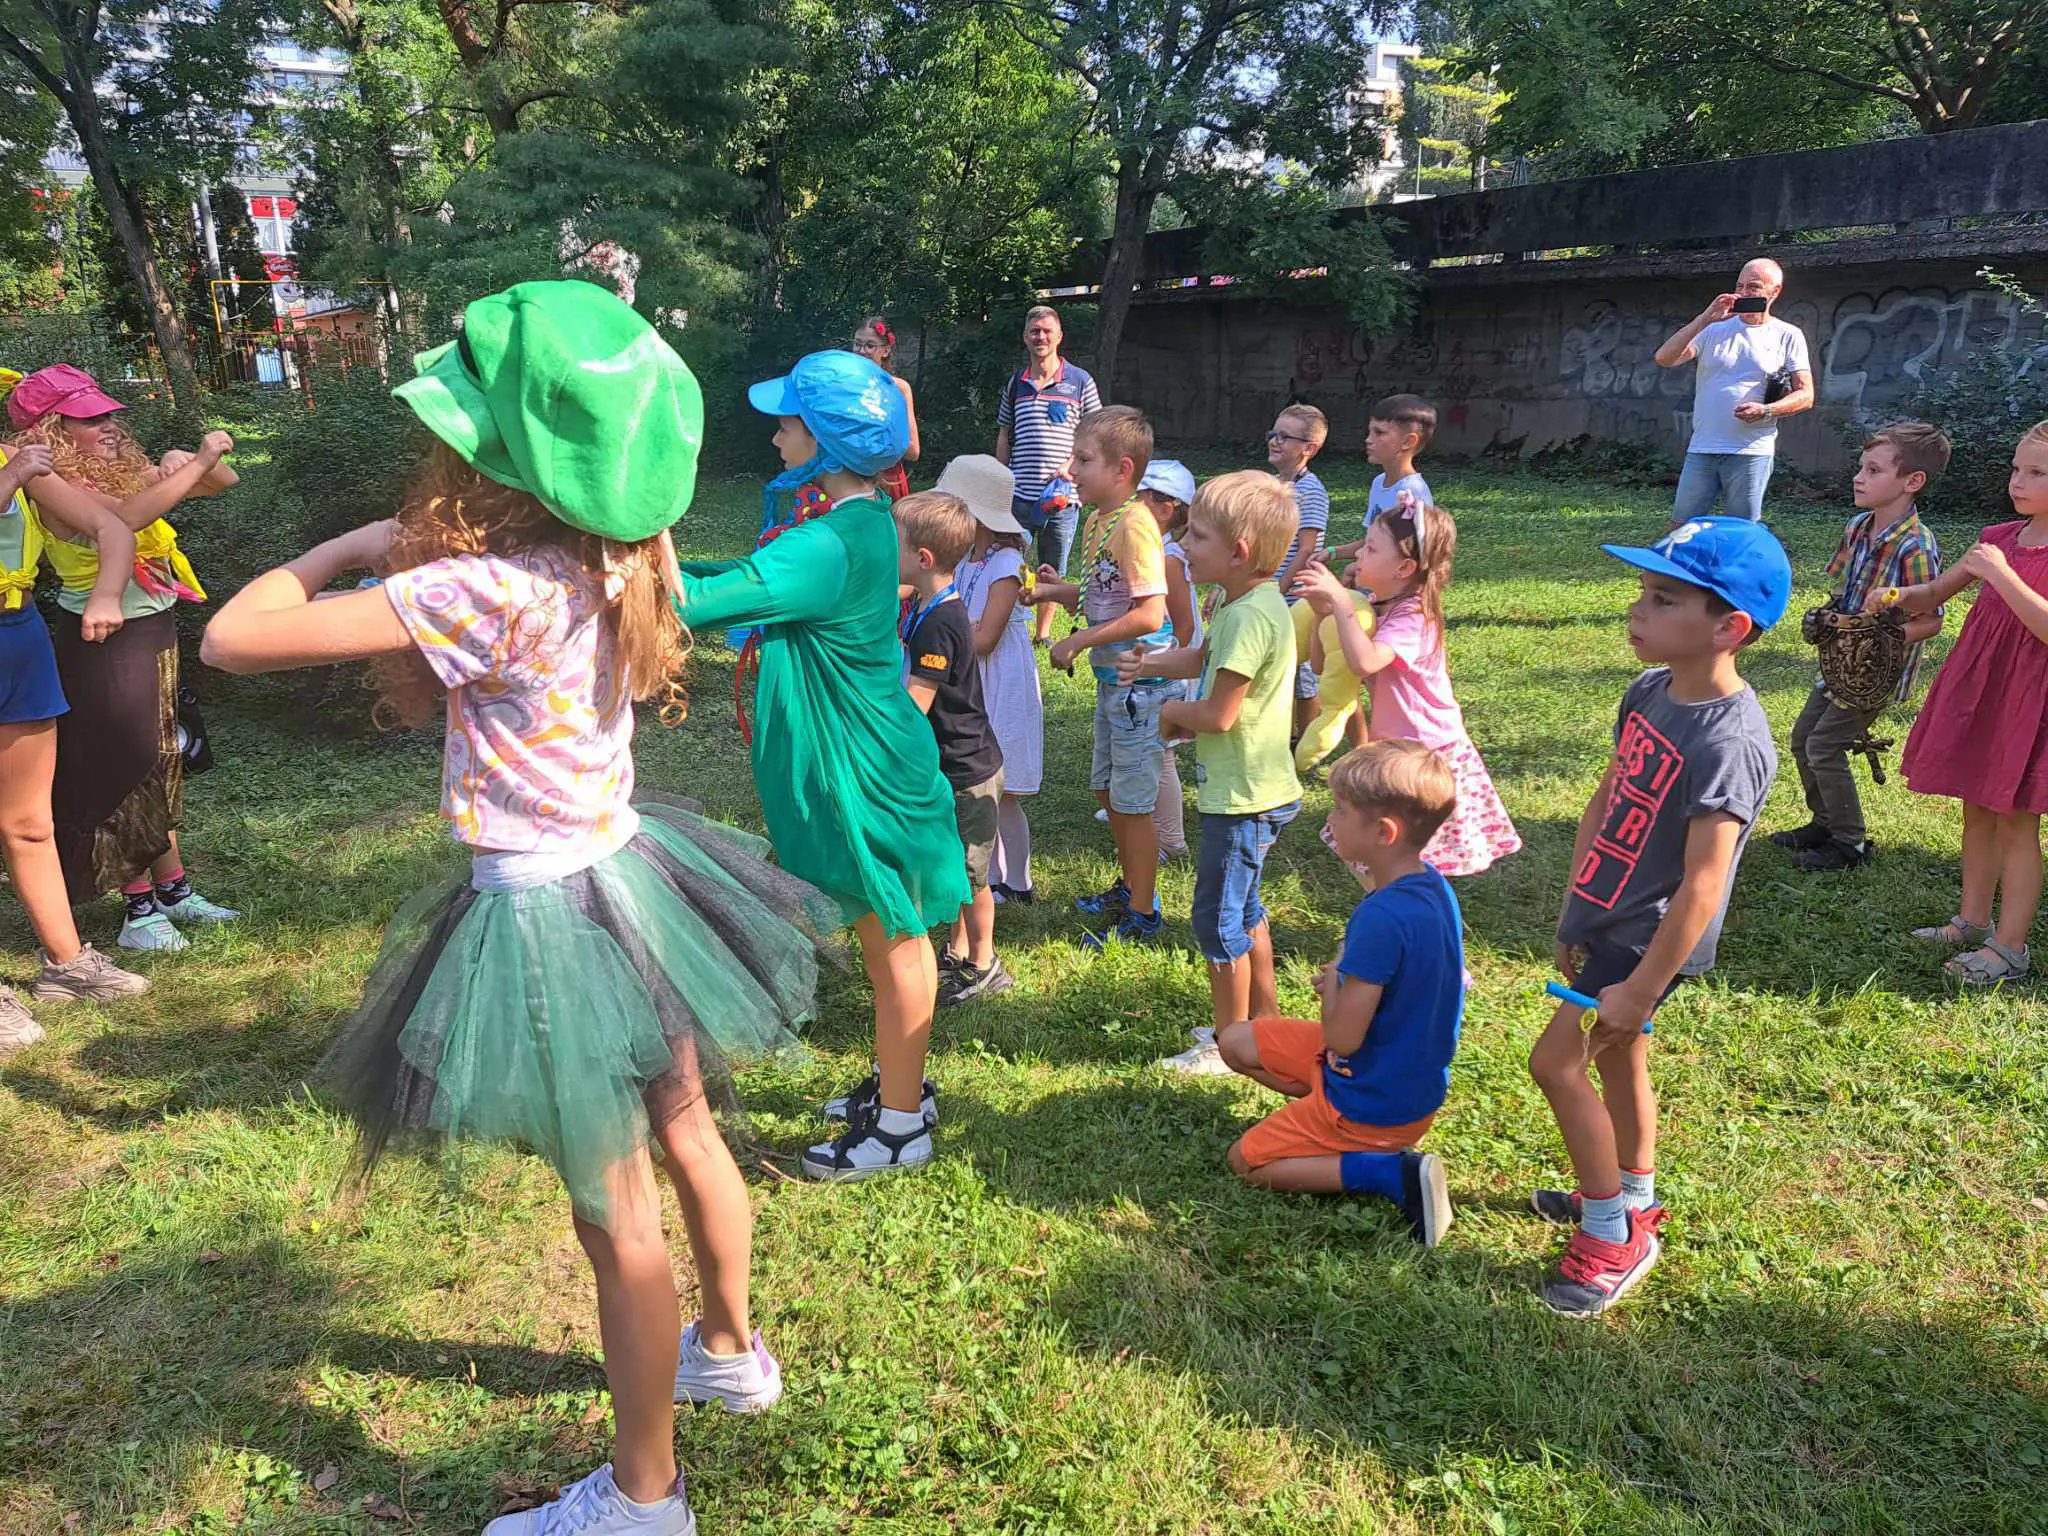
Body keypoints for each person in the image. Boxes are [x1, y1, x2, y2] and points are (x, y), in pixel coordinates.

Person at [200, 281, 827, 1536]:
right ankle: (728, 1349)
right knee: (690, 1133)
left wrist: (339, 550)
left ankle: (644, 1501)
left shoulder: (484, 592)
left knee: (615, 1220)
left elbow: (231, 638)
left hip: (548, 914)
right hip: (634, 883)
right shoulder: (620, 556)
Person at [676, 349, 968, 1181]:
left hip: (859, 770)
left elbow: (696, 601)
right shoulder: (870, 520)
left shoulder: (827, 544)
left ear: (825, 440)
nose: (776, 436)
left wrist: (631, 537)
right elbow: (743, 578)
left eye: (788, 423)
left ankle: (900, 1129)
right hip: (881, 752)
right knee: (896, 940)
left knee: (895, 945)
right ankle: (902, 1086)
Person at [1529, 516, 1791, 1319]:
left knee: (1555, 1064)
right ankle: (1632, 1195)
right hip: (1605, 919)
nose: (1638, 610)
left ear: (1729, 627)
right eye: (1642, 592)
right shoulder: (1648, 691)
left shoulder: (1731, 742)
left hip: (1648, 938)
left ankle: (1614, 1234)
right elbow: (1608, 799)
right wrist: (1576, 907)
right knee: (1619, 1060)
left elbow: (1704, 884)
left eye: (1664, 599)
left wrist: (1642, 986)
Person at [8, 364, 242, 953]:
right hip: (103, 638)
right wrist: (192, 465)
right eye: (90, 419)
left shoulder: (112, 470)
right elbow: (127, 518)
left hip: (149, 628)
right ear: (52, 430)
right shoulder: (52, 482)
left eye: (110, 414)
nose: (110, 425)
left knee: (157, 761)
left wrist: (187, 462)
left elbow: (225, 479)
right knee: (120, 767)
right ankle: (137, 909)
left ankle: (173, 890)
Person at [1215, 740, 1463, 1247]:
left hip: (1374, 1100)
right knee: (1236, 1040)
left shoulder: (1381, 919)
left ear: (1383, 832)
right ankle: (1327, 1118)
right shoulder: (1430, 885)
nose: (1332, 819)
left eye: (1342, 811)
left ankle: (1386, 1170)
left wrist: (1333, 986)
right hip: (1401, 1079)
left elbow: (1343, 1039)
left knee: (1246, 1162)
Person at [0, 436, 170, 1050]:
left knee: (30, 823)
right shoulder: (14, 467)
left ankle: (67, 965)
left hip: (16, 636)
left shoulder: (10, 456)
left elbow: (109, 526)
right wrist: (11, 479)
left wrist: (105, 593)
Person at [1128, 471, 1301, 1073]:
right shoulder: (1244, 602)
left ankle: (1231, 1046)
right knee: (1247, 910)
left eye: (1197, 536)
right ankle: (1266, 1024)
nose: (1183, 545)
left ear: (1239, 552)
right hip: (1258, 790)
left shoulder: (1248, 617)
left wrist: (1173, 714)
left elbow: (1220, 714)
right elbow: (1203, 658)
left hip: (1243, 799)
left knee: (1218, 920)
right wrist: (1150, 662)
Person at [1871, 418, 2048, 986]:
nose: (2018, 481)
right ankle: (1972, 919)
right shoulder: (1999, 539)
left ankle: (2010, 948)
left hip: (2031, 701)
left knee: (2016, 820)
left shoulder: (2002, 558)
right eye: (2016, 469)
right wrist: (1895, 595)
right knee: (1976, 805)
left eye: (2036, 473)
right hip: (1984, 690)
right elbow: (1935, 592)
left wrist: (2002, 575)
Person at [1292, 502, 1520, 879]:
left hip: (1428, 751)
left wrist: (1341, 605)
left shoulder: (1414, 617)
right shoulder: (1372, 608)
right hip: (1393, 748)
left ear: (1403, 568)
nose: (1359, 554)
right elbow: (1322, 664)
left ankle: (1408, 905)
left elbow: (1364, 662)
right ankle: (1389, 903)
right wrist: (1324, 613)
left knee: (1410, 855)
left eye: (1370, 548)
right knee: (1377, 849)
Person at [1772, 423, 1948, 872]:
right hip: (1838, 665)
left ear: (1912, 481)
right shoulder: (1856, 528)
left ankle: (1849, 844)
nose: (1859, 477)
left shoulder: (1916, 546)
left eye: (1873, 470)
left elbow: (1931, 620)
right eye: (1860, 467)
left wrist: (1878, 641)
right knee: (1803, 739)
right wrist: (1828, 618)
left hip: (1876, 675)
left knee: (1824, 745)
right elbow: (1844, 592)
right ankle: (1825, 823)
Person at [1029, 406, 1172, 947]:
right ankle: (1132, 885)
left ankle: (1143, 913)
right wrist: (1051, 590)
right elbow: (1103, 596)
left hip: (1142, 684)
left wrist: (1077, 640)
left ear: (1122, 469)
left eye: (1083, 460)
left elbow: (1150, 614)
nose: (1071, 470)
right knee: (1106, 789)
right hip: (1115, 682)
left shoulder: (1135, 525)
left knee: (1133, 804)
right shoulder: (1097, 520)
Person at [894, 489, 1013, 1008]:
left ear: (922, 558)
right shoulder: (931, 602)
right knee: (957, 863)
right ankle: (960, 949)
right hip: (953, 764)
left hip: (969, 770)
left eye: (893, 543)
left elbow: (915, 704)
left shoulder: (941, 623)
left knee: (973, 875)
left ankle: (985, 964)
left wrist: (872, 729)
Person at [944, 455, 1043, 906]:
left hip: (1000, 681)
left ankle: (1017, 881)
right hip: (972, 680)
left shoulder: (1006, 564)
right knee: (981, 786)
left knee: (1003, 788)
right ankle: (993, 874)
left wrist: (945, 628)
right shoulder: (965, 558)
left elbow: (986, 638)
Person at [1654, 259, 1815, 523]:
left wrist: (1766, 410)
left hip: (1752, 450)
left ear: (1775, 291)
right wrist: (1705, 318)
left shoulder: (1788, 334)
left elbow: (1806, 395)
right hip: (1703, 447)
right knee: (1682, 527)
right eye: (1740, 286)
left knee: (1741, 530)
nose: (1743, 293)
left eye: (1753, 287)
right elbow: (1665, 358)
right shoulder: (1713, 329)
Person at [994, 305, 1102, 645]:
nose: (1040, 336)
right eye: (1034, 331)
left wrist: (1071, 465)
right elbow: (1004, 434)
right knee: (1009, 561)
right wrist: (999, 478)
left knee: (1053, 566)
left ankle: (1041, 635)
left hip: (1062, 496)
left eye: (1046, 331)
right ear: (1025, 338)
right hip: (1019, 495)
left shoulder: (1080, 381)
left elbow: (1096, 434)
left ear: (1059, 336)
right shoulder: (1015, 383)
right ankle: (1008, 621)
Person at [1136, 457, 1200, 860]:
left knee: (1161, 751)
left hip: (1165, 669)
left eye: (1139, 499)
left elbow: (1185, 625)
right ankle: (1139, 809)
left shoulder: (1168, 558)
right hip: (1149, 665)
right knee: (1145, 747)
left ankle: (1171, 838)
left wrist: (1163, 668)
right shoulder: (1149, 549)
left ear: (1164, 508)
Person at [1266, 404, 1331, 733]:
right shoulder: (1273, 486)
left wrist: (1278, 590)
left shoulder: (1311, 492)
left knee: (1302, 674)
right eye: (1273, 434)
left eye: (1284, 437)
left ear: (1309, 448)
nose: (1274, 441)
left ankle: (1304, 741)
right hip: (1269, 590)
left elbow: (1307, 548)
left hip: (1294, 596)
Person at [1327, 395, 1436, 564]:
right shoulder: (1379, 482)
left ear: (1408, 441)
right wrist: (1332, 553)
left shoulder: (1413, 492)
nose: (1368, 440)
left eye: (1379, 433)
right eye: (1370, 432)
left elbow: (1412, 553)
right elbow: (1373, 543)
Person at [851, 316, 919, 503]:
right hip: (846, 478)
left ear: (886, 350)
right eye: (857, 344)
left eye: (870, 346)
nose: (862, 351)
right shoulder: (842, 386)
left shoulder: (899, 388)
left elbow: (913, 450)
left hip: (886, 479)